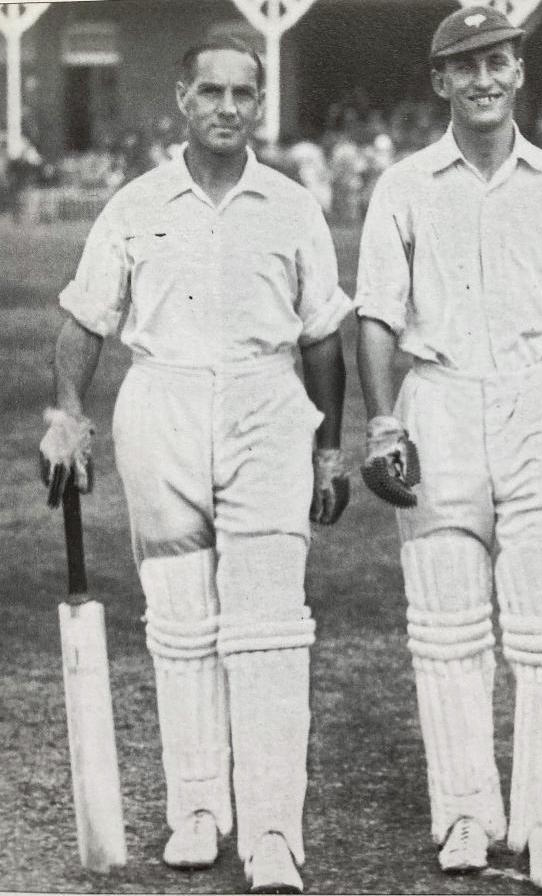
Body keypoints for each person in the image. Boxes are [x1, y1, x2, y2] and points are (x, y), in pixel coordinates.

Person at [39, 37, 351, 894]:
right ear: (182, 98)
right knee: (179, 624)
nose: (224, 107)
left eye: (240, 94)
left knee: (269, 627)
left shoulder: (291, 205)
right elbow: (84, 320)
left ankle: (275, 829)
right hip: (162, 406)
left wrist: (329, 449)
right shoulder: (136, 204)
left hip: (267, 404)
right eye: (208, 91)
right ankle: (197, 810)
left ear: (259, 104)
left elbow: (323, 335)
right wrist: (67, 415)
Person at [355, 7, 542, 892]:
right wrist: (381, 425)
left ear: (518, 73)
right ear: (440, 81)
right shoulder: (404, 187)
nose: (484, 78)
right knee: (445, 628)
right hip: (438, 401)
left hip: (536, 400)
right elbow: (375, 314)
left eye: (499, 62)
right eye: (466, 66)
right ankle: (462, 814)